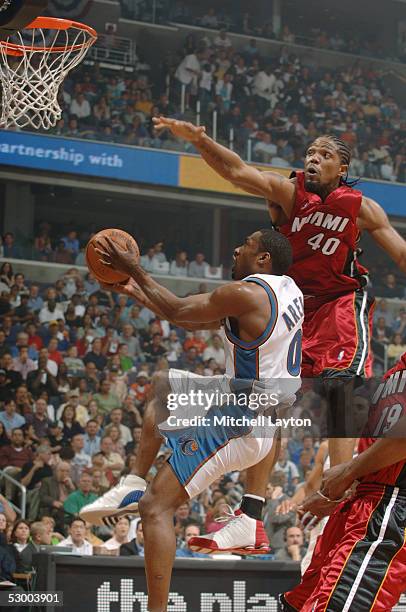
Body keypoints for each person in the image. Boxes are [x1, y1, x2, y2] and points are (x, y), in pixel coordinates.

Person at [150, 116, 406, 547]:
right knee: (273, 401)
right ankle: (251, 514)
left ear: (341, 168)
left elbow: (400, 252)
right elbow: (236, 172)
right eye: (309, 153)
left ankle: (336, 505)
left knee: (338, 389)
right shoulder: (291, 193)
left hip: (342, 302)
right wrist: (200, 139)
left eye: (323, 155)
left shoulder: (360, 206)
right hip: (298, 304)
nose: (312, 159)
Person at [81, 228, 303, 609]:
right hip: (259, 404)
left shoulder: (246, 292)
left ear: (263, 259)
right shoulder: (289, 290)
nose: (237, 248)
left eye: (247, 245)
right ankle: (134, 480)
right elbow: (199, 320)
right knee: (165, 386)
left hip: (240, 418)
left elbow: (180, 310)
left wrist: (135, 269)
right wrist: (138, 292)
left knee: (155, 507)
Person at [280, 353, 406, 611]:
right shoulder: (395, 371)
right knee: (299, 603)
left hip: (390, 505)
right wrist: (338, 492)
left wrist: (346, 474)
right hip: (363, 498)